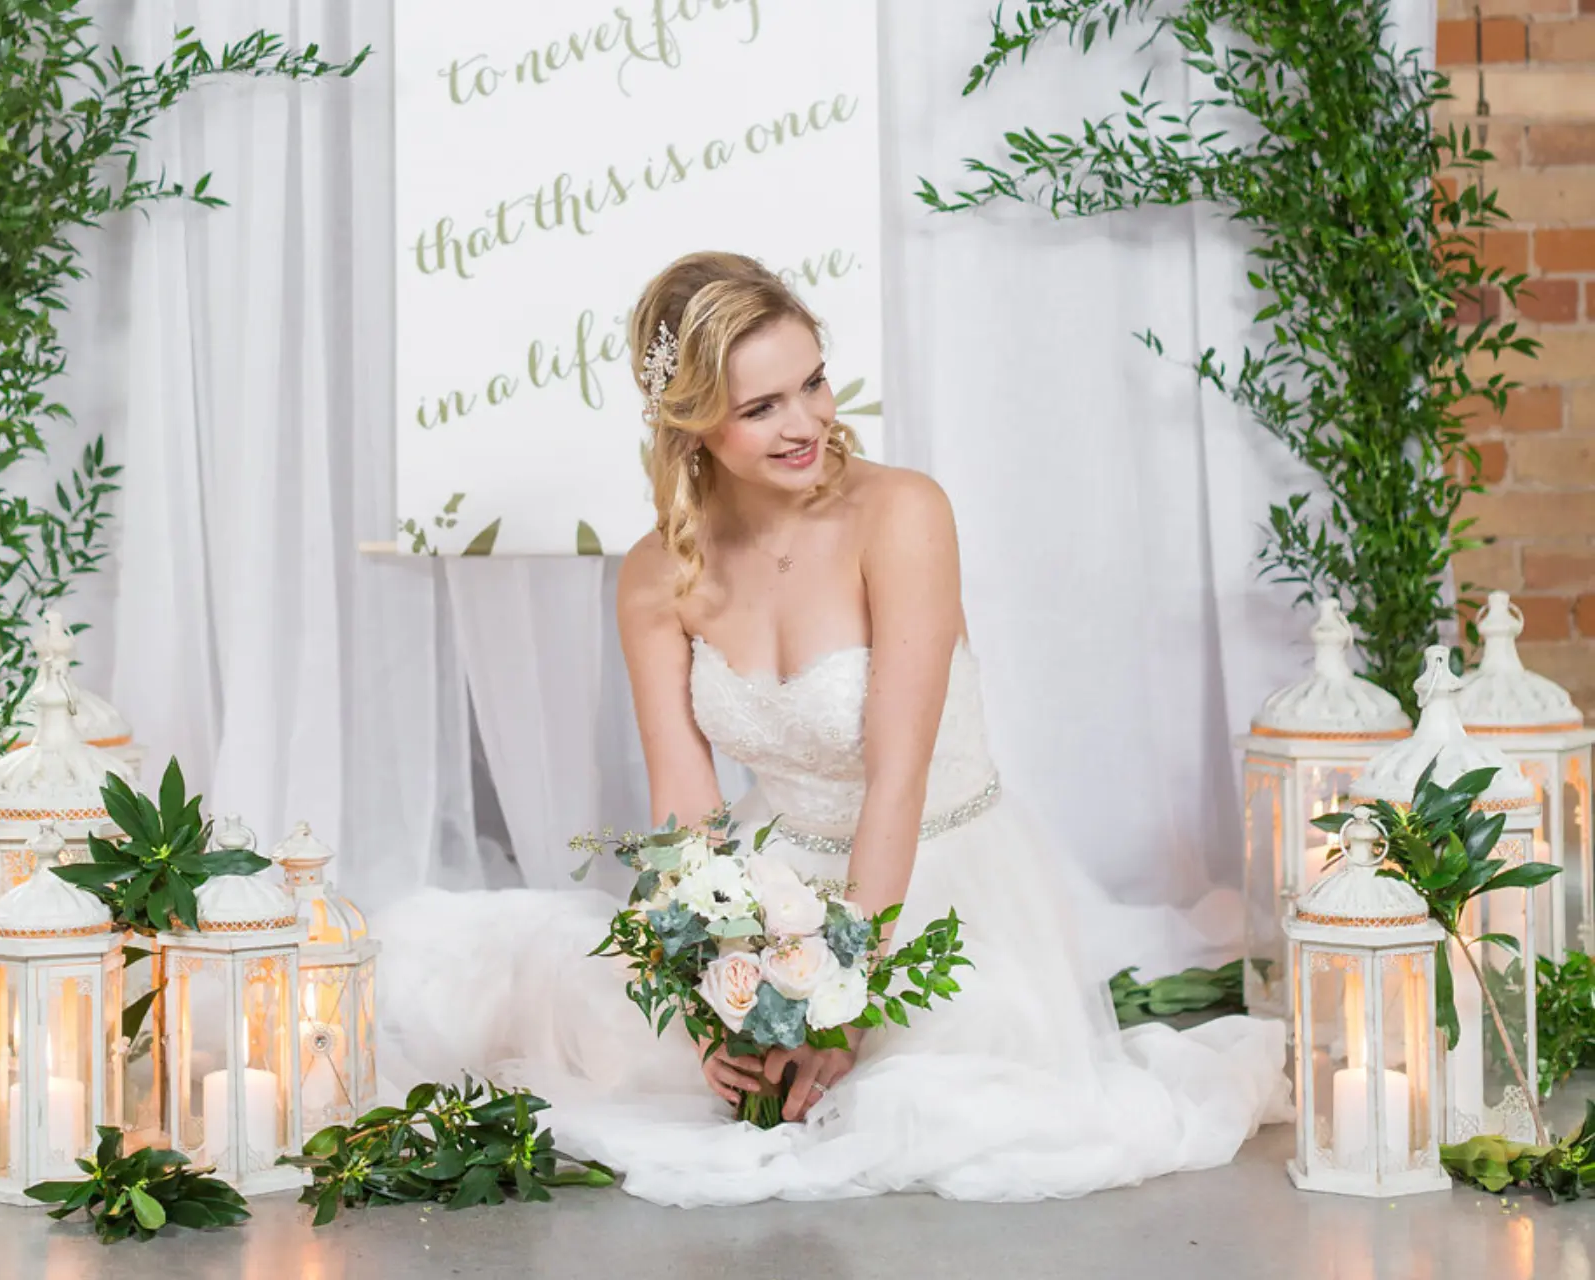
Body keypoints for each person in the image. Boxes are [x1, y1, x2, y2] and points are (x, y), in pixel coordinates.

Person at [373, 250, 1288, 1207]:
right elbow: (685, 808)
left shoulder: (901, 513)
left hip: (935, 874)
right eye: (762, 406)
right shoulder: (656, 573)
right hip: (776, 881)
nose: (808, 420)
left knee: (932, 1110)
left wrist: (843, 1002)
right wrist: (707, 996)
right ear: (690, 421)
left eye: (812, 382)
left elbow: (897, 776)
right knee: (673, 1076)